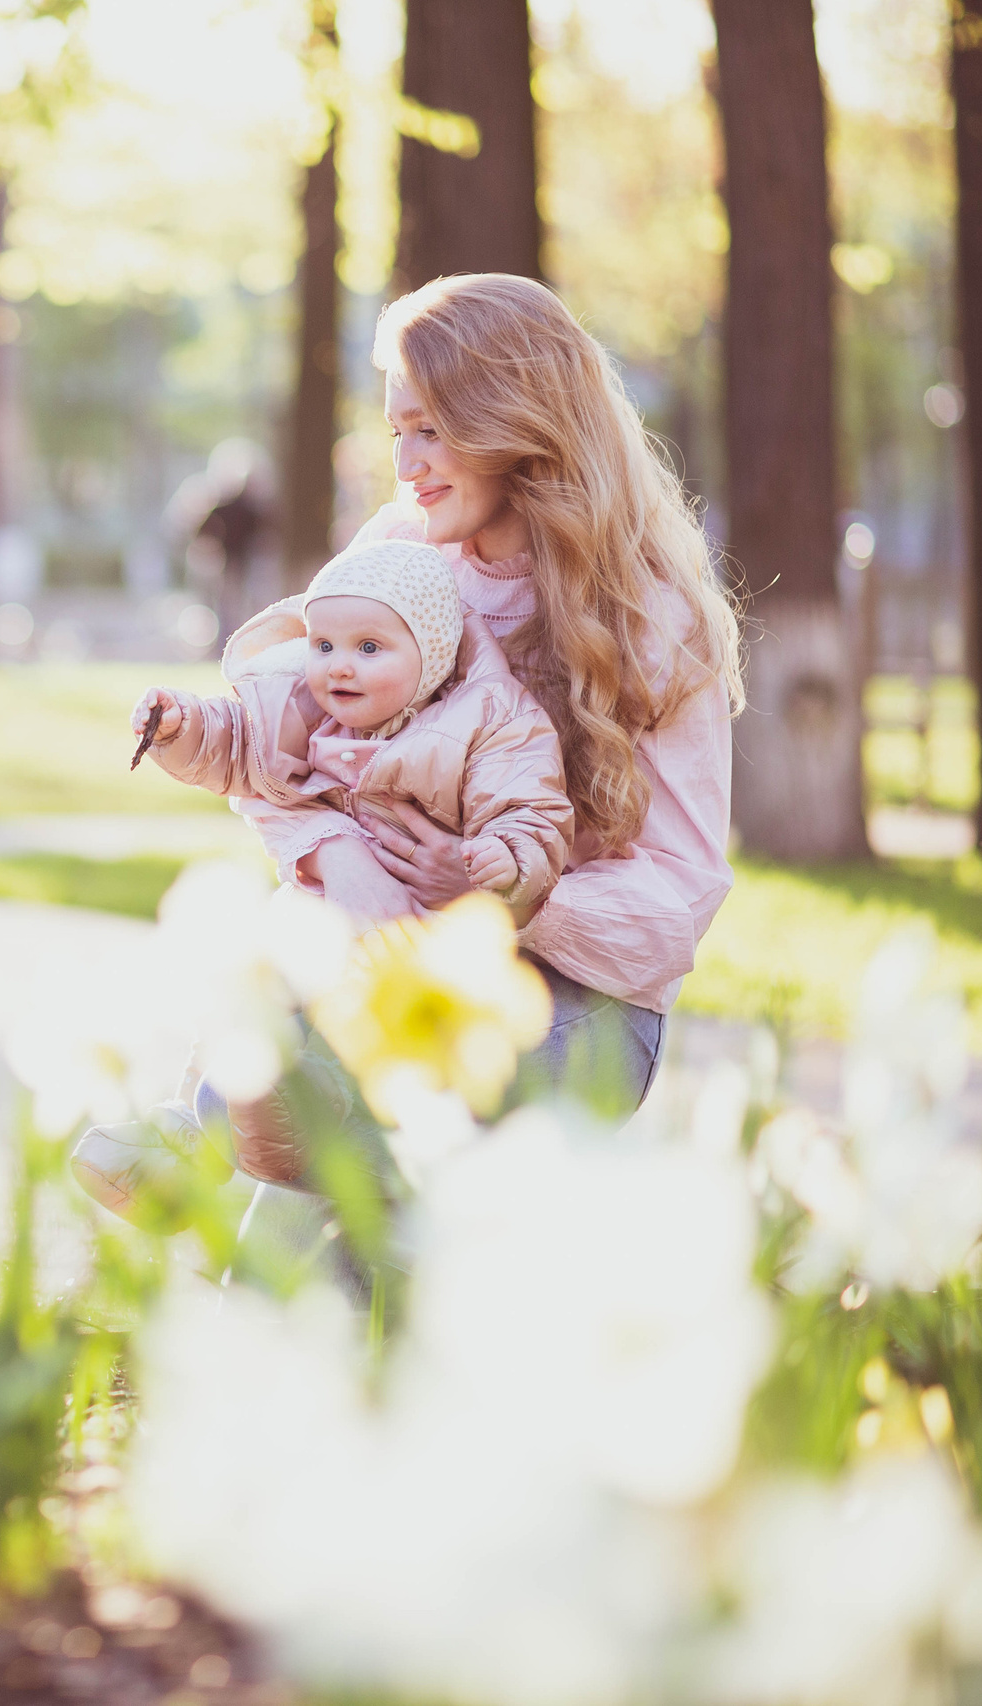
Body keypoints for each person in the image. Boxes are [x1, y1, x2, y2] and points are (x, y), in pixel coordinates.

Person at [122, 274, 743, 1272]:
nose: (405, 465)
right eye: (395, 432)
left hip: (577, 1007)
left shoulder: (649, 619)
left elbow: (677, 901)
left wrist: (502, 893)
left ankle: (223, 1154)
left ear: (515, 420)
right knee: (309, 1225)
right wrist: (346, 863)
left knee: (344, 1136)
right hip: (390, 978)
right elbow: (289, 744)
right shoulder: (402, 555)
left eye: (430, 432)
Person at [72, 537, 571, 1213]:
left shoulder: (489, 715)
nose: (339, 667)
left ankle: (253, 1126)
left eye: (369, 648)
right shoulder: (305, 703)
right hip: (314, 915)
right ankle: (190, 1126)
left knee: (343, 1032)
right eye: (325, 645)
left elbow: (532, 807)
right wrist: (182, 728)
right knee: (251, 996)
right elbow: (239, 742)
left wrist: (503, 859)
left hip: (410, 935)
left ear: (433, 651)